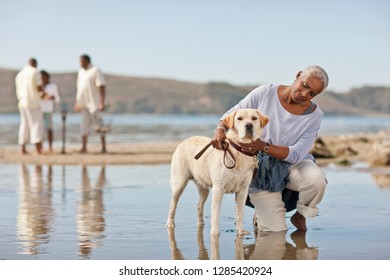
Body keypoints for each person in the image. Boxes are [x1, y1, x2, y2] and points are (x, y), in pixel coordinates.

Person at [212, 65, 329, 232]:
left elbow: (296, 154)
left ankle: (300, 215)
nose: (305, 94)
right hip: (259, 167)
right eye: (305, 85)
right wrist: (219, 130)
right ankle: (262, 214)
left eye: (312, 94)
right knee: (276, 232)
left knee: (316, 181)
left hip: (293, 164)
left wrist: (263, 146)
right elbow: (232, 113)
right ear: (298, 75)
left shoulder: (315, 116)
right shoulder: (265, 92)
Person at [74, 54, 107, 153]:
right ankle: (84, 147)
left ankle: (103, 147)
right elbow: (79, 88)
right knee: (84, 125)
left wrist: (101, 102)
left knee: (99, 125)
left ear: (87, 61)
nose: (80, 63)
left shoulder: (96, 70)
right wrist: (77, 102)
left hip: (94, 103)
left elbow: (101, 86)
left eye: (82, 61)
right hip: (83, 104)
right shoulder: (81, 71)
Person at [15, 58, 46, 154]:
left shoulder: (19, 74)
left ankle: (22, 148)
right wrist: (45, 95)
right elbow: (39, 87)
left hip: (22, 103)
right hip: (33, 102)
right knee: (36, 124)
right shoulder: (35, 72)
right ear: (35, 64)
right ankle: (38, 149)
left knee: (24, 125)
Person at [40, 70, 61, 152]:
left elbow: (58, 99)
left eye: (43, 77)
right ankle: (40, 146)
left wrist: (52, 98)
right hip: (39, 110)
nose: (42, 79)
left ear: (47, 77)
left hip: (48, 110)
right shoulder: (39, 86)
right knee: (39, 129)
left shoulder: (52, 86)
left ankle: (50, 146)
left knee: (49, 129)